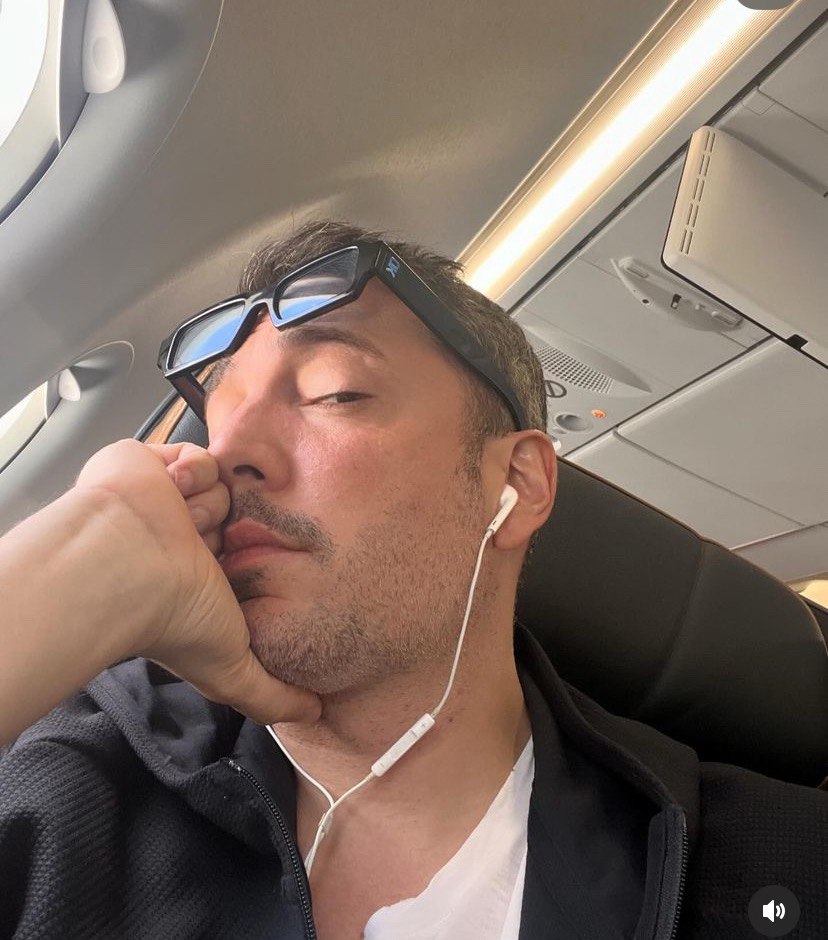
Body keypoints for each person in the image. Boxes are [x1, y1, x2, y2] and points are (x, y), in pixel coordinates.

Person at [0, 220, 824, 940]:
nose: (230, 453)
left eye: (333, 392)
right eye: (220, 418)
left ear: (517, 485)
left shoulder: (777, 859)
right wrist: (82, 554)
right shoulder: (72, 788)